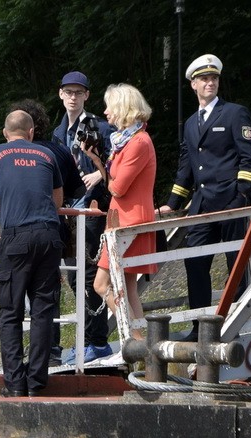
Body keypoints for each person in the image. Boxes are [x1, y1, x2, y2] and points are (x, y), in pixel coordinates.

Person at [0, 110, 64, 398]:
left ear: (5, 133)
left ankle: (15, 384)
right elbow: (57, 201)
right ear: (31, 132)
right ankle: (36, 383)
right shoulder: (47, 155)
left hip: (16, 237)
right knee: (43, 312)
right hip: (48, 235)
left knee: (10, 311)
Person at [159, 54, 251, 341]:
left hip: (230, 199)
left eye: (214, 78)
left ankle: (233, 322)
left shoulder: (234, 113)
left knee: (235, 263)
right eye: (204, 79)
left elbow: (248, 157)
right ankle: (199, 326)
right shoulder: (191, 123)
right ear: (193, 84)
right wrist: (172, 203)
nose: (210, 83)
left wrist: (241, 194)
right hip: (202, 204)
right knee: (195, 263)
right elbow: (186, 166)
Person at [8, 98, 81, 367]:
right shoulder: (58, 152)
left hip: (17, 230)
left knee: (16, 295)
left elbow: (0, 193)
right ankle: (51, 350)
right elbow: (76, 190)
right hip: (54, 230)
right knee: (50, 292)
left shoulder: (6, 154)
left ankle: (21, 355)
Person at [53, 71, 115, 363]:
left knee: (90, 275)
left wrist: (97, 174)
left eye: (79, 92)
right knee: (74, 276)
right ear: (61, 94)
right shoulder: (58, 131)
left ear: (87, 95)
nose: (73, 97)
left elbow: (116, 163)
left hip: (91, 208)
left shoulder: (100, 128)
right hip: (68, 210)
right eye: (69, 92)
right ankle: (86, 339)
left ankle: (97, 340)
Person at [88, 83, 157, 341]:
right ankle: (143, 342)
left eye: (110, 107)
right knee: (128, 288)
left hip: (130, 223)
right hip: (124, 221)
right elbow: (114, 183)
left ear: (123, 108)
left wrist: (105, 172)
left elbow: (117, 187)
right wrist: (97, 161)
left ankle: (138, 340)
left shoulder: (137, 142)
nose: (106, 112)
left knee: (101, 284)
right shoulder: (127, 141)